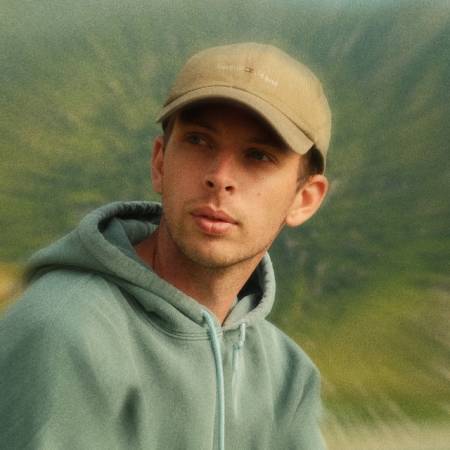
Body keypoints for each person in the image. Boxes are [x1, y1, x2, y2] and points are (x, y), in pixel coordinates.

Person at [0, 42, 332, 449]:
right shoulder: (62, 332)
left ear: (304, 199)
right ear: (160, 163)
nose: (220, 176)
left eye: (258, 156)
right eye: (199, 141)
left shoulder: (289, 378)